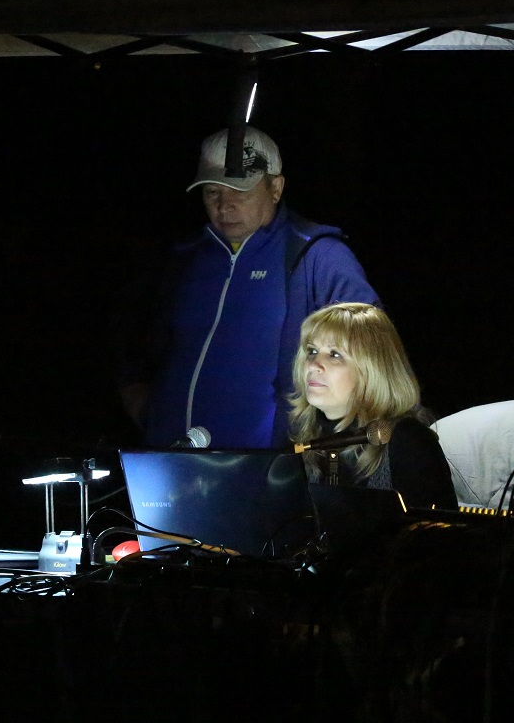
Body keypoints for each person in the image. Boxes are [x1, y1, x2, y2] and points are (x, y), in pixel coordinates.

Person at [117, 125, 379, 449]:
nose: (224, 205)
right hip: (166, 461)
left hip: (266, 467)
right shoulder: (182, 257)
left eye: (239, 191)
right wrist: (136, 395)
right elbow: (131, 333)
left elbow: (373, 351)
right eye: (212, 192)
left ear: (276, 188)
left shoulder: (316, 255)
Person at [288, 302, 455, 512]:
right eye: (312, 351)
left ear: (372, 369)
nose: (313, 365)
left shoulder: (407, 441)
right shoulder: (303, 439)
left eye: (334, 354)